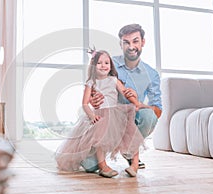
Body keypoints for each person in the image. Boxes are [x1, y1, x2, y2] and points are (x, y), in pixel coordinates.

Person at [55, 49, 144, 178]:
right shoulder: (91, 83)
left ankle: (134, 165)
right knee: (100, 139)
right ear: (93, 66)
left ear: (111, 65)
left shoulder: (114, 80)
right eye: (99, 63)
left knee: (130, 134)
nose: (103, 65)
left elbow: (125, 93)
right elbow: (85, 104)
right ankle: (103, 166)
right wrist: (92, 116)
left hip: (116, 112)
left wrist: (136, 102)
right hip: (101, 114)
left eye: (107, 62)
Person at [90, 24, 162, 169]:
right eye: (126, 42)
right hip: (107, 118)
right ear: (120, 44)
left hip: (131, 118)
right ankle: (102, 153)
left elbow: (158, 110)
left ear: (143, 42)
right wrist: (93, 98)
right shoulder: (109, 63)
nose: (131, 46)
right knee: (89, 167)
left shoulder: (151, 74)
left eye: (135, 41)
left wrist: (140, 105)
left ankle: (129, 151)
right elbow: (94, 85)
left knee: (149, 116)